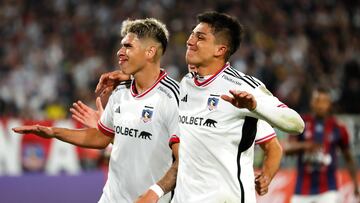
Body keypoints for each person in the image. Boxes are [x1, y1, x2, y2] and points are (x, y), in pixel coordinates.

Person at [13, 18, 180, 203]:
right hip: (111, 198)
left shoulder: (172, 97)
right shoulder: (121, 91)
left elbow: (183, 161)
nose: (120, 52)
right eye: (121, 46)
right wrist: (54, 132)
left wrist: (154, 193)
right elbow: (101, 138)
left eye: (128, 46)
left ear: (150, 52)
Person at [77, 63, 283, 198]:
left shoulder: (236, 100)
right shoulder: (181, 100)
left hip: (227, 193)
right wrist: (111, 129)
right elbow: (153, 143)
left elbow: (273, 147)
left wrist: (267, 175)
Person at [172, 11, 304, 203]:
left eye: (200, 37)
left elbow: (296, 124)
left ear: (220, 50)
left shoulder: (243, 89)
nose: (190, 41)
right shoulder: (186, 84)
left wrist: (255, 106)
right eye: (192, 34)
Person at [285, 87, 359, 203]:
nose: (320, 105)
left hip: (328, 190)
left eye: (324, 101)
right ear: (311, 102)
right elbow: (287, 148)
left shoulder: (338, 127)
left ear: (329, 104)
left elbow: (348, 157)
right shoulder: (301, 123)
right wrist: (305, 146)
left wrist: (355, 183)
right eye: (317, 100)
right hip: (302, 190)